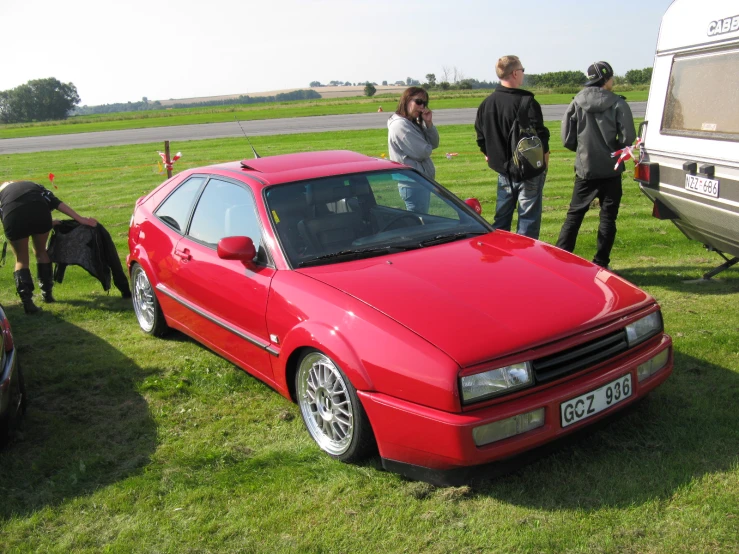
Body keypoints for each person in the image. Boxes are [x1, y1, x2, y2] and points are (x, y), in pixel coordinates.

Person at [556, 61, 636, 269]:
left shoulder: (576, 102)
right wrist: (615, 149)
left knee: (574, 216)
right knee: (608, 218)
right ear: (606, 78)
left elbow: (567, 138)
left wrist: (583, 151)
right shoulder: (619, 103)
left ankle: (560, 261)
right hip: (612, 169)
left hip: (585, 168)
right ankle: (601, 262)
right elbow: (628, 138)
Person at [475, 55, 550, 239]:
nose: (523, 74)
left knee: (501, 219)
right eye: (522, 70)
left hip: (503, 171)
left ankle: (500, 258)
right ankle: (525, 260)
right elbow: (540, 137)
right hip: (529, 170)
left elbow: (481, 136)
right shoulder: (527, 101)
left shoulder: (487, 103)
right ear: (515, 73)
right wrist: (544, 163)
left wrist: (489, 155)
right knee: (528, 221)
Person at [0, 180, 97, 314]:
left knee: (21, 259)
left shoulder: (2, 195)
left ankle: (27, 302)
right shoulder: (35, 186)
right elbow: (57, 203)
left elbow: (10, 216)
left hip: (14, 216)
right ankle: (47, 294)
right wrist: (80, 219)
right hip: (40, 212)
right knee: (41, 252)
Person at [387, 87, 439, 213]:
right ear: (407, 100)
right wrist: (426, 144)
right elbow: (423, 152)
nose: (422, 107)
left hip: (419, 182)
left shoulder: (411, 123)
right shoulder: (401, 125)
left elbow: (434, 143)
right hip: (412, 183)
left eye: (425, 103)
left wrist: (429, 123)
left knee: (421, 221)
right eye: (419, 102)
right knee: (418, 223)